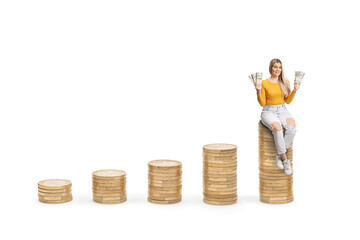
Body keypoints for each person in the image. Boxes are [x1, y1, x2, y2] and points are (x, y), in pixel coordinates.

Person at [256, 59, 300, 176]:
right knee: (277, 127)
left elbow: (288, 101)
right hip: (268, 111)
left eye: (279, 67)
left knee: (293, 127)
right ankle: (285, 160)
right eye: (275, 67)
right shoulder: (264, 83)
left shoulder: (285, 82)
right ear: (270, 68)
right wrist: (258, 91)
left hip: (282, 110)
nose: (277, 69)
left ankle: (279, 155)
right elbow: (262, 103)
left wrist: (294, 91)